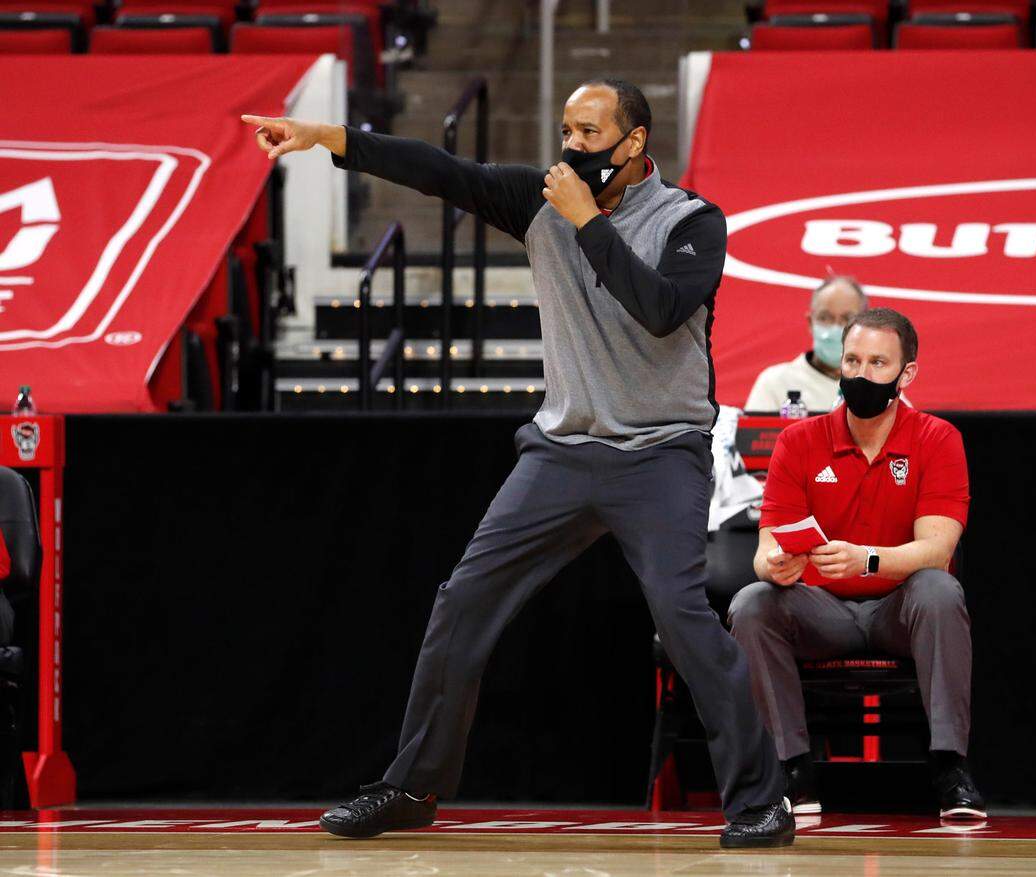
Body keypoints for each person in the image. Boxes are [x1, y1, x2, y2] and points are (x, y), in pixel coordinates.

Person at [241, 78, 793, 848]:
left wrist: (586, 223)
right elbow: (439, 170)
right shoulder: (539, 200)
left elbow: (663, 309)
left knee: (682, 614)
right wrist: (328, 137)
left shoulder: (692, 220)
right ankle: (412, 784)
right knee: (462, 599)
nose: (571, 145)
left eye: (589, 132)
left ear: (633, 142)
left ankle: (761, 801)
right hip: (560, 452)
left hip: (661, 451)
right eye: (565, 129)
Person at [728, 307, 985, 820]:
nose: (861, 374)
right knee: (752, 603)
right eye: (852, 360)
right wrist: (773, 565)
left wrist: (866, 560)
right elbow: (766, 548)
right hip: (822, 610)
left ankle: (949, 767)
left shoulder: (937, 439)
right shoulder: (798, 441)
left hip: (899, 610)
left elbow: (937, 549)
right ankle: (793, 769)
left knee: (939, 588)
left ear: (905, 374)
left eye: (877, 363)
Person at [744, 276, 867, 413]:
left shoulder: (878, 385)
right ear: (810, 322)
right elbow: (755, 434)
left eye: (847, 319)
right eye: (825, 317)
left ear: (866, 325)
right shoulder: (774, 383)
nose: (835, 328)